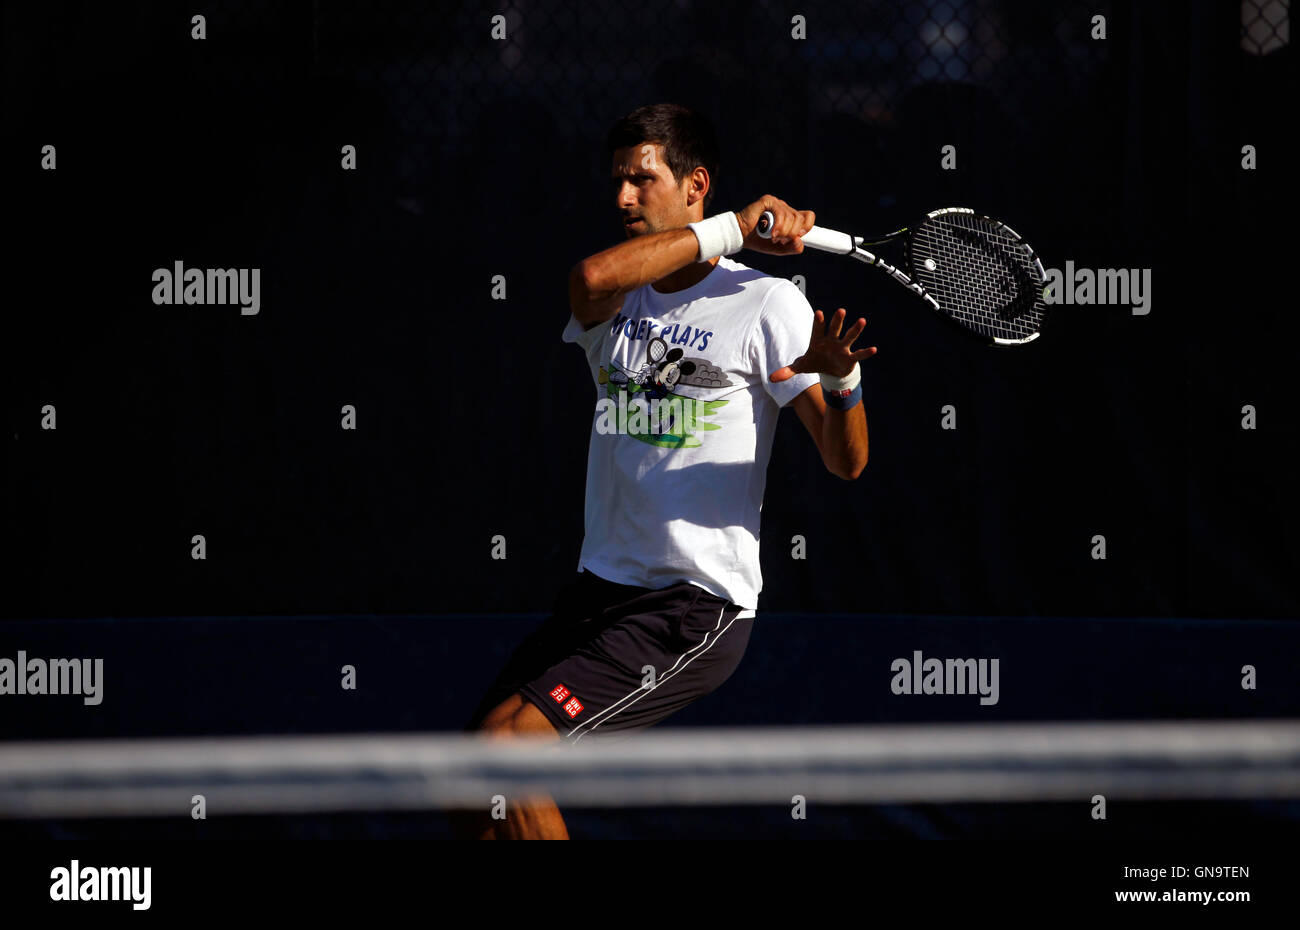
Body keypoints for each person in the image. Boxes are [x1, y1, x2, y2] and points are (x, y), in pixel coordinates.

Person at [460, 103, 874, 840]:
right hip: (599, 593)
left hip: (691, 606)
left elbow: (847, 462)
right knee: (471, 777)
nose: (621, 197)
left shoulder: (769, 302)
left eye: (641, 180)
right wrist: (737, 225)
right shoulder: (618, 295)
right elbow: (590, 275)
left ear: (695, 184)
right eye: (615, 182)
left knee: (508, 757)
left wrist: (842, 384)